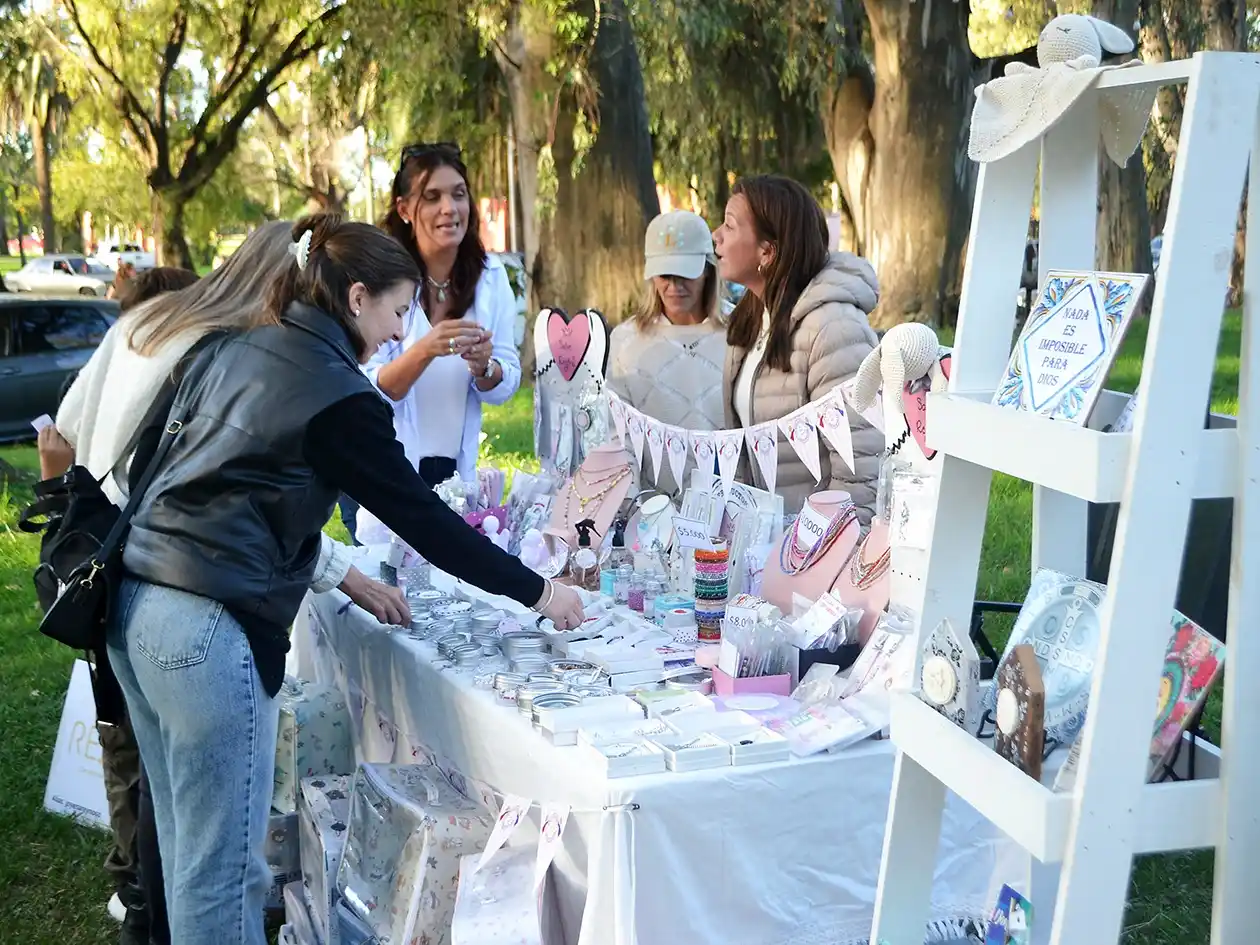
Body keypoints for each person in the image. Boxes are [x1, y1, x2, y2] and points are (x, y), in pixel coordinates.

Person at [104, 214, 583, 945]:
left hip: (135, 608)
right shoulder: (337, 392)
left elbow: (158, 469)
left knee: (185, 853)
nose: (399, 332)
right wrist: (541, 592)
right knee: (226, 873)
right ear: (356, 297)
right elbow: (423, 518)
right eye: (397, 310)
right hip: (205, 626)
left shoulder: (232, 344)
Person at [50, 225, 407, 945]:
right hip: (192, 596)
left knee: (181, 837)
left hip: (125, 584)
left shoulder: (159, 321)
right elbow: (229, 491)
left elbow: (67, 430)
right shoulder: (235, 346)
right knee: (214, 862)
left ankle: (146, 917)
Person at [350, 142, 520, 542]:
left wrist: (485, 368)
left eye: (458, 194)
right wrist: (426, 348)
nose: (450, 208)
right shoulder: (380, 279)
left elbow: (506, 381)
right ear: (405, 209)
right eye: (433, 197)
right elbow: (369, 389)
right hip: (388, 476)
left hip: (456, 480)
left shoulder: (491, 277)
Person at [714, 174, 882, 519]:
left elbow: (862, 467)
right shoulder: (750, 320)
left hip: (813, 552)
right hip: (764, 547)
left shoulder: (833, 328)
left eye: (730, 226)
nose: (716, 236)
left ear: (768, 250)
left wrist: (818, 553)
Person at [608, 210, 726, 495]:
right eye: (665, 275)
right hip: (652, 512)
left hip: (733, 506)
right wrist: (630, 505)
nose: (674, 287)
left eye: (686, 274)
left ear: (708, 270)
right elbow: (617, 436)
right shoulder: (625, 341)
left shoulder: (743, 333)